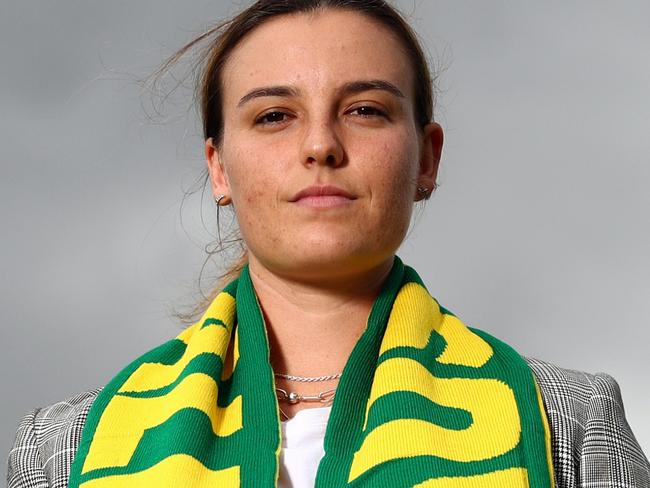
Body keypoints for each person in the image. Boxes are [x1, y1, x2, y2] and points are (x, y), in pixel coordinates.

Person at [7, 1, 649, 487]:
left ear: (426, 160)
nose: (320, 145)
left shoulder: (571, 422)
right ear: (219, 168)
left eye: (366, 109)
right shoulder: (60, 449)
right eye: (273, 116)